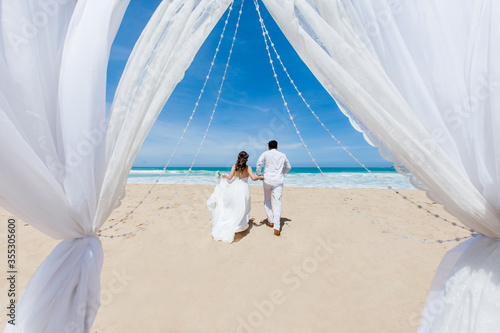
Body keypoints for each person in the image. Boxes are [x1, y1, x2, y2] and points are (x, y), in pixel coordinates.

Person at [207, 151, 264, 243]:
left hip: (234, 188)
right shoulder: (248, 167)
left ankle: (235, 224)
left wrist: (223, 175)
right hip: (244, 188)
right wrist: (261, 177)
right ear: (246, 159)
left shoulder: (234, 167)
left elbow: (230, 178)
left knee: (234, 207)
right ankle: (239, 226)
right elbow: (253, 178)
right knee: (244, 206)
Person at [256, 140, 291, 236]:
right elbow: (288, 167)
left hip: (267, 179)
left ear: (268, 147)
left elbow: (259, 163)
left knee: (267, 199)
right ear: (277, 147)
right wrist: (281, 173)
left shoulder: (265, 153)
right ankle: (277, 226)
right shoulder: (282, 155)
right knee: (277, 202)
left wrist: (259, 174)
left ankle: (270, 220)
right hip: (278, 181)